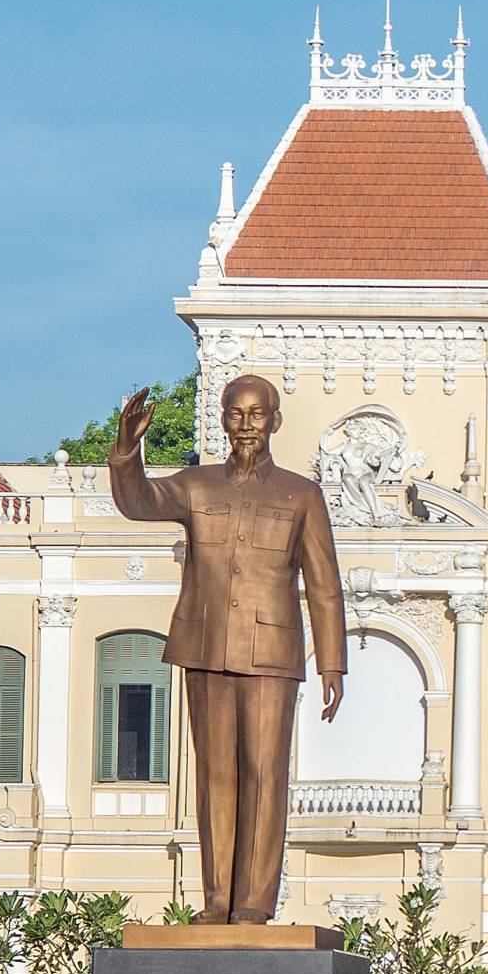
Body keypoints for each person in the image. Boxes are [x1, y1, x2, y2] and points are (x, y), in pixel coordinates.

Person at [110, 374, 346, 923]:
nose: (246, 425)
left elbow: (324, 584)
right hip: (206, 645)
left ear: (275, 421)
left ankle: (254, 906)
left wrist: (332, 662)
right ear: (221, 419)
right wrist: (128, 449)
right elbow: (139, 502)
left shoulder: (301, 494)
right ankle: (217, 902)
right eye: (236, 414)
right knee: (216, 776)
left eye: (257, 414)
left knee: (264, 775)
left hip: (272, 653)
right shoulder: (197, 485)